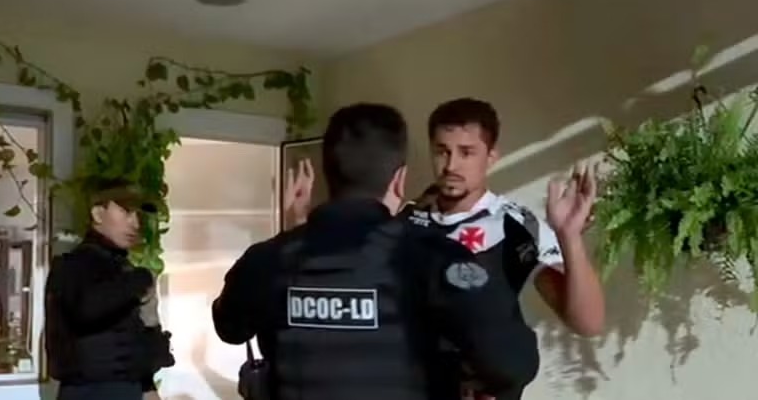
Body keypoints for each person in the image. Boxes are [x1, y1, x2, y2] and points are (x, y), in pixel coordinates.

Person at [211, 103, 540, 400]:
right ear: (399, 180)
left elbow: (229, 328)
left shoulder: (268, 258)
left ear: (328, 172)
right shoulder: (436, 258)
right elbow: (513, 366)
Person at [406, 98, 606, 399]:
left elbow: (588, 323)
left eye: (466, 152)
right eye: (442, 151)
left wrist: (570, 236)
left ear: (491, 158)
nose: (451, 165)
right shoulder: (407, 219)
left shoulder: (515, 225)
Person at [45, 180, 174, 400]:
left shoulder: (123, 268)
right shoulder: (73, 265)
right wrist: (138, 282)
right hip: (89, 391)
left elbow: (134, 333)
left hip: (125, 388)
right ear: (98, 213)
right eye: (126, 211)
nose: (135, 223)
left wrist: (147, 386)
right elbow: (87, 309)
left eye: (138, 214)